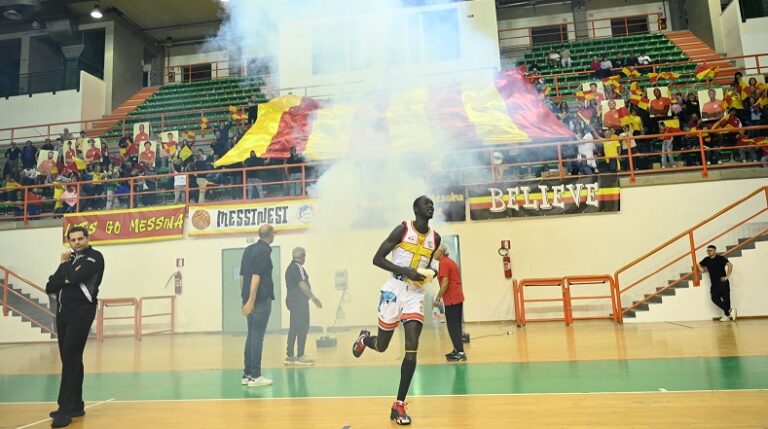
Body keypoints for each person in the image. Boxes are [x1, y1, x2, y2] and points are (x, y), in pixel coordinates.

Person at [352, 196, 441, 425]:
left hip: (415, 294)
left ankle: (398, 405)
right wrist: (405, 270)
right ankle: (365, 339)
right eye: (426, 204)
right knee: (382, 346)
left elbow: (426, 265)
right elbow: (377, 259)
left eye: (432, 204)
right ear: (416, 209)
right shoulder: (402, 230)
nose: (431, 206)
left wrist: (430, 273)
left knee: (412, 346)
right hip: (394, 289)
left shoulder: (435, 238)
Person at [45, 226, 105, 428]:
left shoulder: (94, 257)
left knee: (70, 357)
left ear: (87, 239)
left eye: (80, 238)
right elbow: (50, 286)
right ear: (69, 242)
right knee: (70, 358)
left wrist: (65, 268)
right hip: (63, 313)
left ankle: (64, 409)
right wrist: (65, 270)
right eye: (73, 240)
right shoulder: (69, 261)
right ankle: (76, 405)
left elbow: (75, 278)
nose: (77, 242)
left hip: (81, 312)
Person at [240, 224, 276, 387]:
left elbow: (242, 277)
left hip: (250, 298)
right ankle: (255, 376)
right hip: (260, 300)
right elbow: (256, 276)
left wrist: (245, 297)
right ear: (271, 235)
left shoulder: (248, 249)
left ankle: (247, 375)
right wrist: (252, 300)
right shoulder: (264, 251)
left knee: (251, 334)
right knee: (257, 336)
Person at [283, 247, 322, 366]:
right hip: (299, 303)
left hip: (293, 301)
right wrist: (313, 298)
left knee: (294, 328)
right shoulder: (298, 267)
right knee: (302, 328)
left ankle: (290, 356)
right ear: (302, 257)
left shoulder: (290, 268)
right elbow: (302, 284)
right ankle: (300, 356)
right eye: (304, 256)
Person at [432, 243, 466, 362]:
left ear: (440, 252)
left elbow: (445, 283)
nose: (433, 253)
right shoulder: (449, 261)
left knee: (453, 326)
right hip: (457, 296)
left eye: (434, 251)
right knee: (456, 325)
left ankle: (460, 352)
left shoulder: (443, 263)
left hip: (452, 298)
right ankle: (457, 349)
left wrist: (437, 298)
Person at [698, 245, 735, 321]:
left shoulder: (720, 258)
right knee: (714, 298)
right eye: (707, 250)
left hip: (723, 282)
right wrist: (700, 268)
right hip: (714, 284)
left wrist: (727, 276)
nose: (709, 252)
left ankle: (727, 315)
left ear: (715, 250)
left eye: (710, 250)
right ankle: (730, 310)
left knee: (726, 299)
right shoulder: (706, 259)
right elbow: (699, 264)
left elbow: (730, 265)